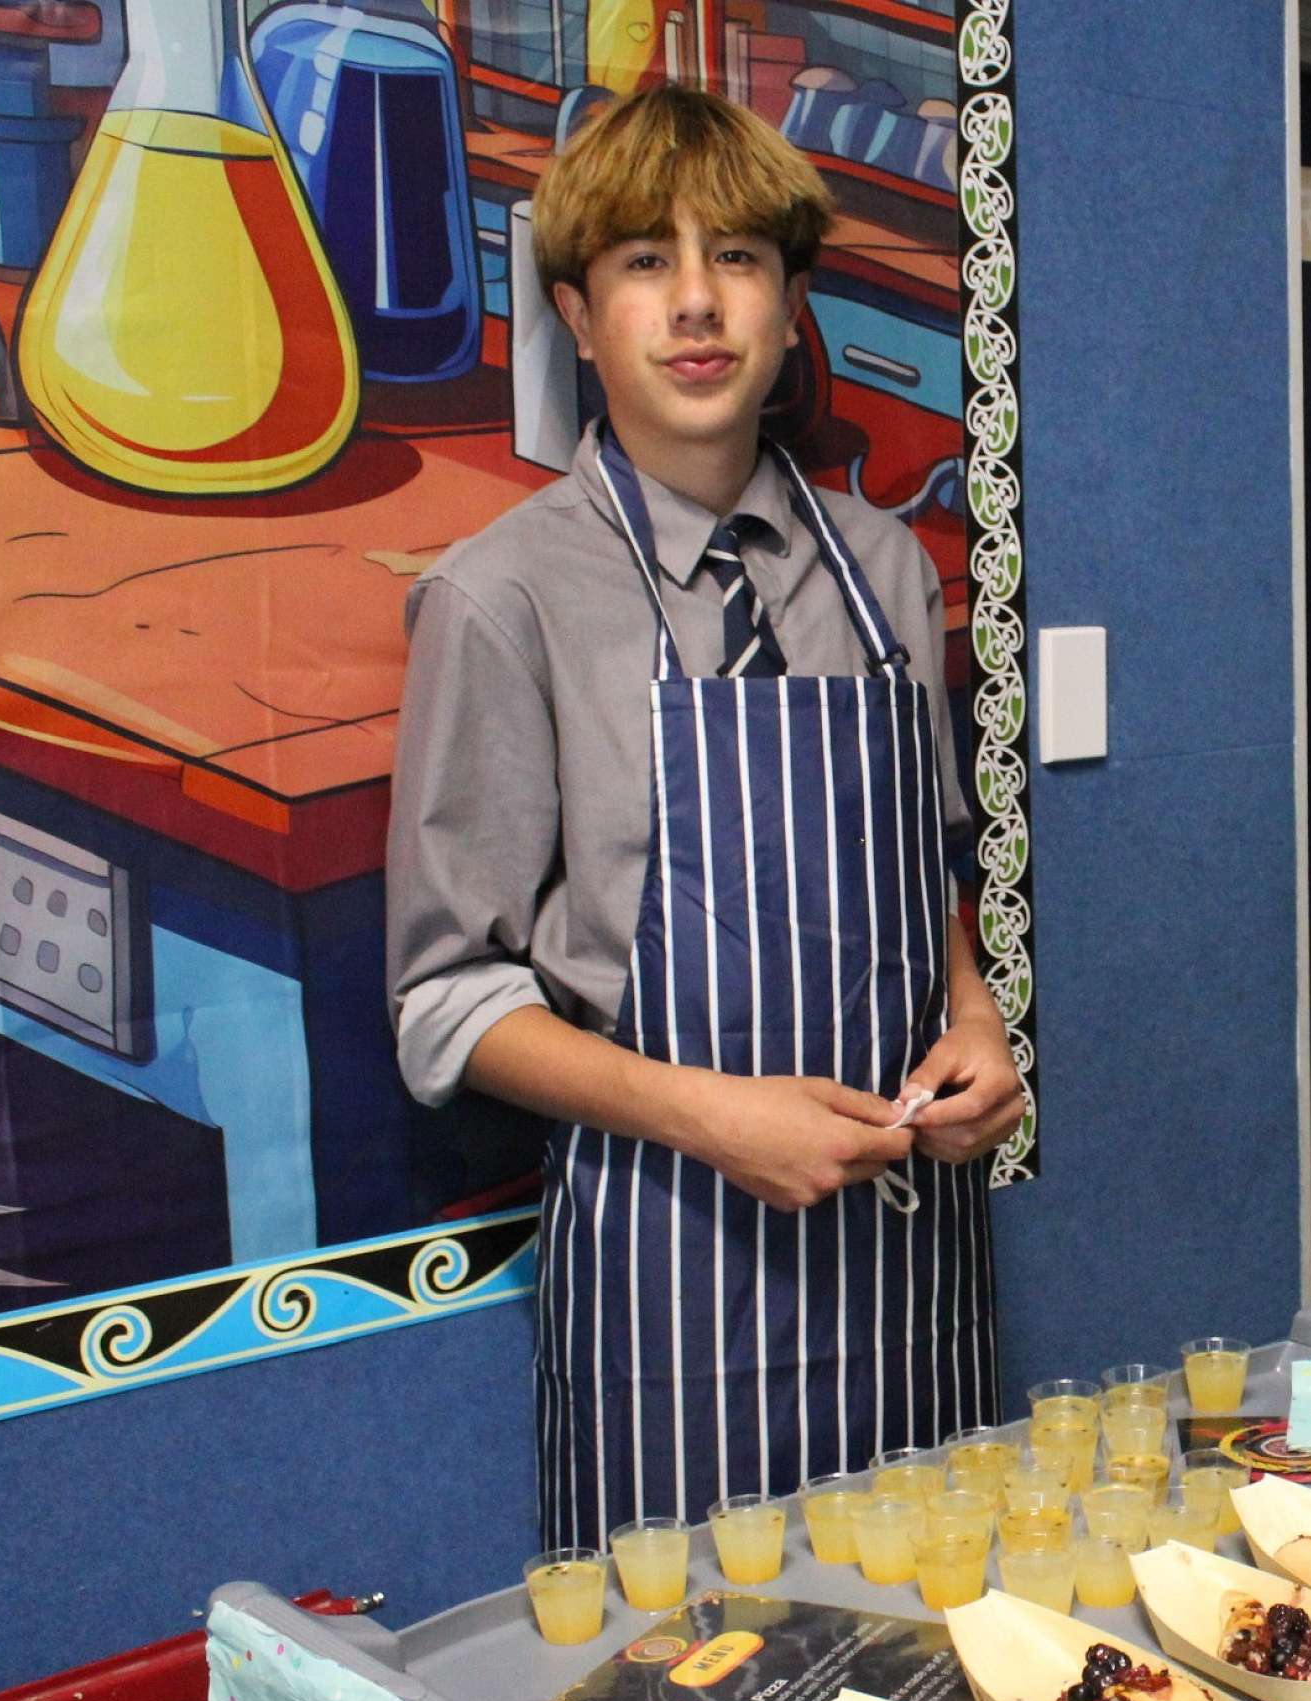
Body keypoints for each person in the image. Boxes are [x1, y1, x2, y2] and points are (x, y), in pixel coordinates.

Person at [387, 85, 1024, 1558]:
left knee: (942, 1656)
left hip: (906, 1265)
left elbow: (922, 863)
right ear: (577, 314)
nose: (695, 302)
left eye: (736, 258)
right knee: (689, 1676)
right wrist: (718, 1120)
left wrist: (977, 1020)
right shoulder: (502, 599)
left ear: (791, 309)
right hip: (669, 1281)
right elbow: (444, 1004)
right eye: (643, 263)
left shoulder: (885, 568)